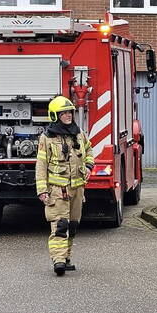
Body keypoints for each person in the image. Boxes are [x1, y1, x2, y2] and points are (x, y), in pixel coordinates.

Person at [36, 96, 95, 276]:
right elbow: (41, 165)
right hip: (57, 191)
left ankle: (67, 257)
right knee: (60, 225)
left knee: (73, 226)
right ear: (55, 115)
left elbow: (89, 150)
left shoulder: (79, 134)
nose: (68, 116)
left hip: (77, 190)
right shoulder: (46, 138)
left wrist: (89, 166)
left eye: (70, 112)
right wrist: (42, 191)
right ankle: (58, 260)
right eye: (64, 113)